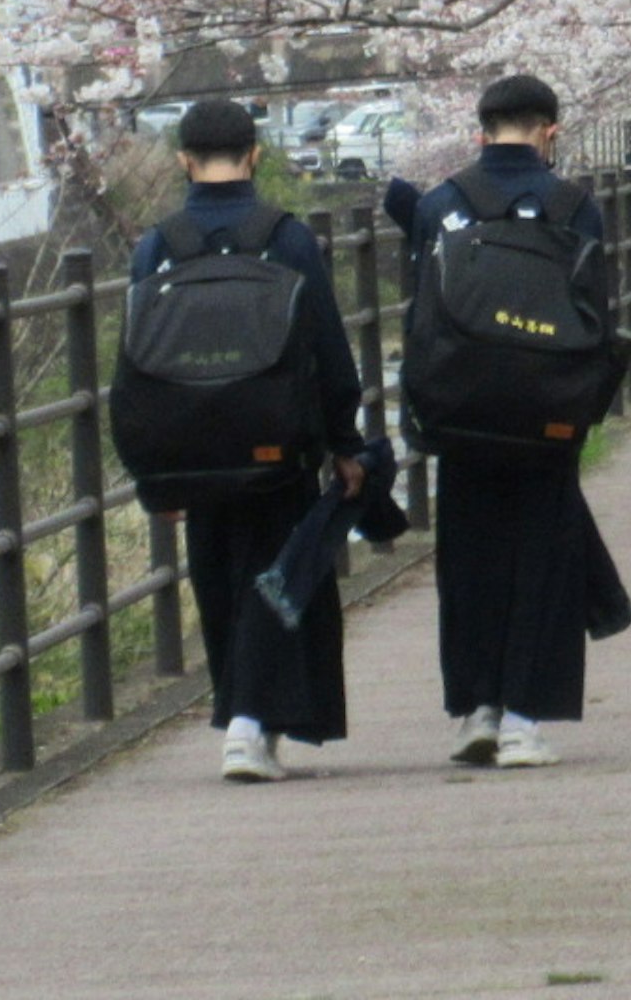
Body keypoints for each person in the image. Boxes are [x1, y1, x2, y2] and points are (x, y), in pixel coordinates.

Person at [386, 73, 631, 768]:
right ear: (550, 130)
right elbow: (592, 311)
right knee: (542, 557)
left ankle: (476, 709)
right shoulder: (575, 207)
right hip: (546, 410)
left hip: (462, 409)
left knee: (469, 558)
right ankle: (526, 718)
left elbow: (421, 311)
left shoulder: (440, 204)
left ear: (480, 130)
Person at [133, 97, 367, 782]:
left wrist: (155, 474)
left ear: (183, 160)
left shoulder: (160, 245)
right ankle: (250, 726)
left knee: (218, 581)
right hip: (279, 443)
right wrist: (343, 442)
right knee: (280, 574)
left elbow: (140, 364)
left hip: (194, 448)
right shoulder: (284, 237)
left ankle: (240, 716)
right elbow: (325, 344)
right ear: (255, 154)